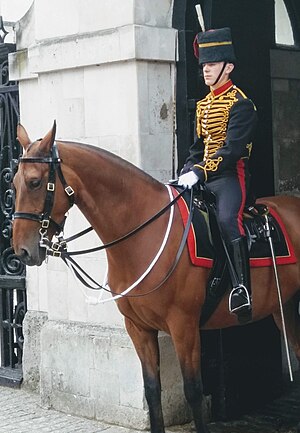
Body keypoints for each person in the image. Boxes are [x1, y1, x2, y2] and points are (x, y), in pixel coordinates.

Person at [178, 27, 257, 316]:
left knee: (226, 220)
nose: (205, 70)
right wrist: (187, 169)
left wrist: (200, 171)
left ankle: (241, 289)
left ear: (229, 67)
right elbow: (197, 148)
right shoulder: (203, 106)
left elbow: (232, 150)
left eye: (211, 64)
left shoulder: (241, 103)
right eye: (203, 65)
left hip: (229, 178)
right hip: (202, 176)